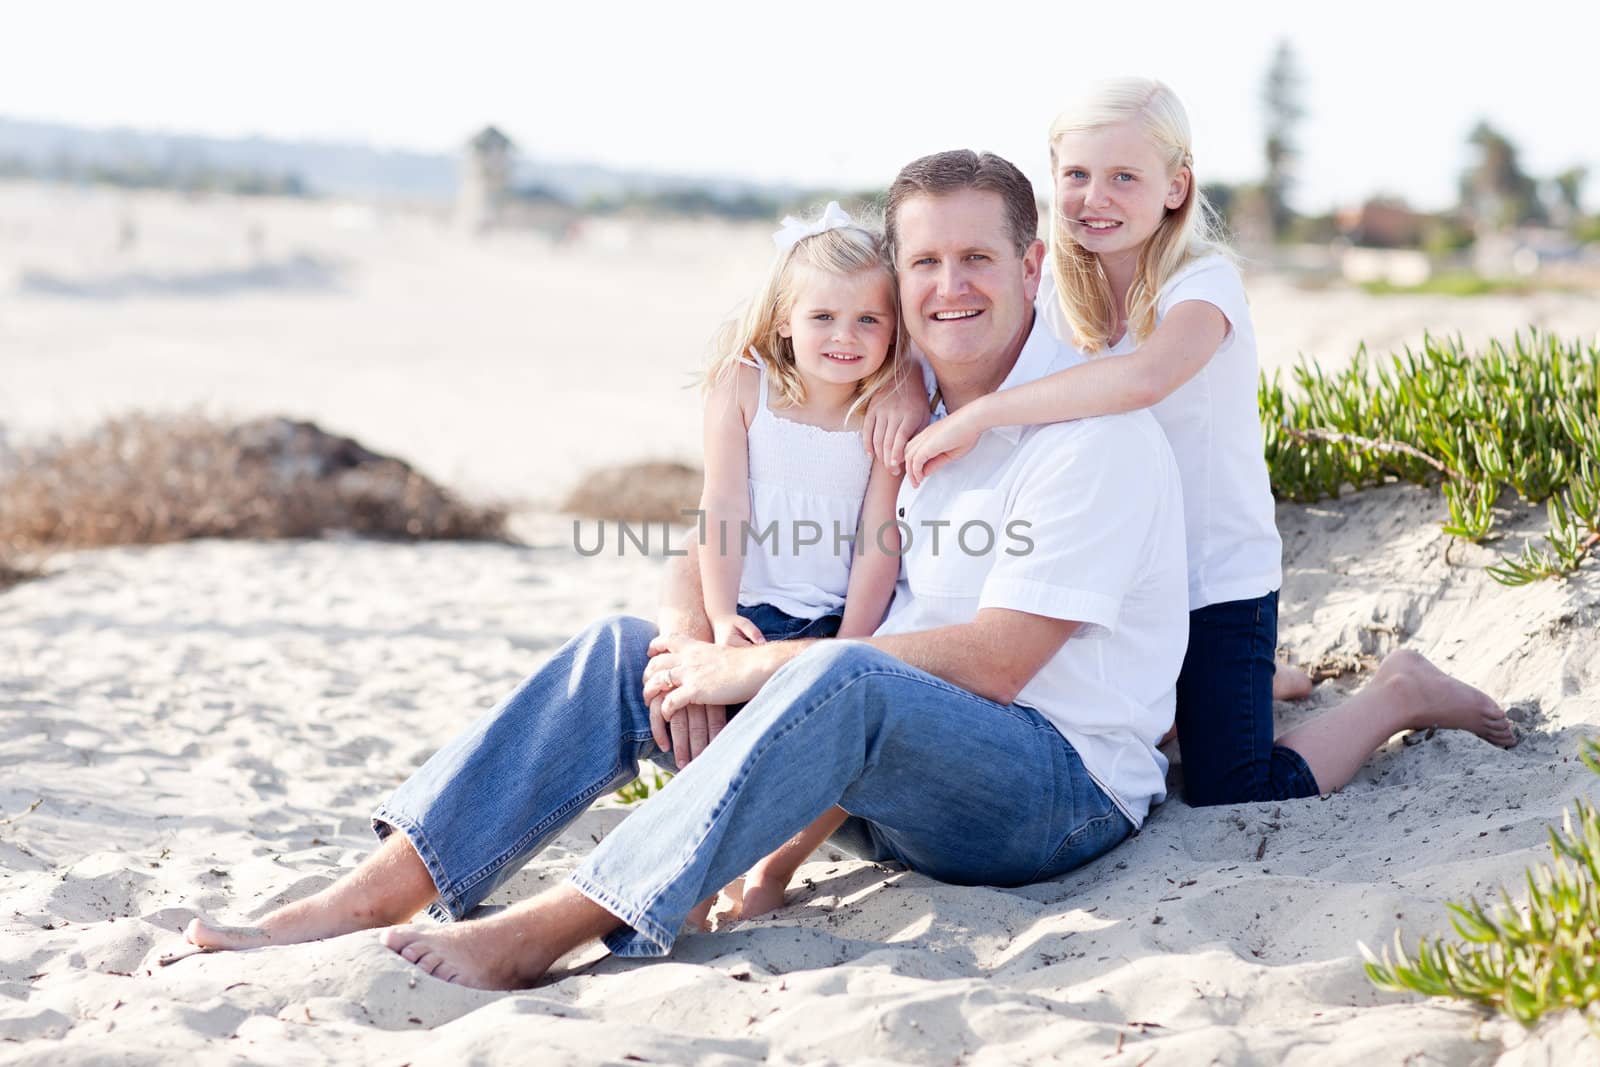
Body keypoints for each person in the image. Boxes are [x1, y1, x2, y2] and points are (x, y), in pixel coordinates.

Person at [183, 149, 1197, 988]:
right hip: (882, 782)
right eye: (924, 262)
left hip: (1048, 792)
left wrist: (762, 670)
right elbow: (725, 536)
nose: (949, 285)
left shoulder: (1086, 432)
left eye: (976, 257)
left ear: (1031, 267)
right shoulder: (902, 407)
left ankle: (551, 927)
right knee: (627, 651)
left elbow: (999, 660)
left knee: (844, 673)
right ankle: (385, 883)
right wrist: (693, 641)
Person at [897, 78, 1515, 807]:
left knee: (1231, 787)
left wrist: (983, 415)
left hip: (1212, 579)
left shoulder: (1203, 282)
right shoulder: (1060, 289)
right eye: (1077, 175)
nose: (1096, 197)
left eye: (1124, 176)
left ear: (1175, 186)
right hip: (1115, 579)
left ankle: (1398, 692)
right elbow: (955, 330)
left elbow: (1144, 378)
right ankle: (1259, 683)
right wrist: (907, 389)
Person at [682, 201, 904, 923]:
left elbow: (879, 537)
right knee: (713, 737)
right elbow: (722, 506)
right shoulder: (744, 387)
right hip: (754, 608)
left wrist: (855, 636)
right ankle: (701, 868)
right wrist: (720, 614)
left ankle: (776, 869)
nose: (846, 337)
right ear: (783, 319)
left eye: (869, 320)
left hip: (840, 614)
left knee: (836, 749)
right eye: (823, 318)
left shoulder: (882, 410)